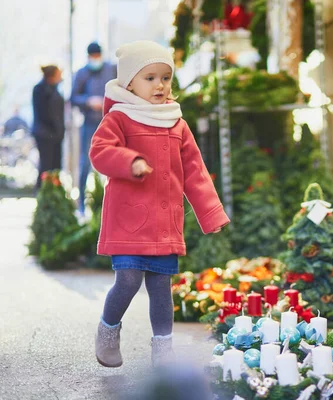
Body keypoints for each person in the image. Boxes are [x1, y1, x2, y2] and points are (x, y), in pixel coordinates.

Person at [90, 41, 230, 368]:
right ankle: (108, 331)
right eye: (150, 78)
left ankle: (163, 351)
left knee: (161, 288)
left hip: (165, 222)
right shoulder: (119, 118)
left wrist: (212, 214)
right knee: (127, 280)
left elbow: (194, 171)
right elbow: (99, 152)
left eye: (165, 78)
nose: (159, 85)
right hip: (128, 220)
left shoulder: (176, 122)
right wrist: (131, 161)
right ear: (129, 84)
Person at [71, 42, 116, 213]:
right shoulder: (82, 73)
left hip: (110, 122)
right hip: (89, 122)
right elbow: (74, 97)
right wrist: (88, 101)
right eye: (93, 57)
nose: (95, 59)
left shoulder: (111, 69)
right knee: (85, 162)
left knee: (112, 160)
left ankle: (110, 203)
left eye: (98, 56)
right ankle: (81, 204)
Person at [32, 65, 64, 189]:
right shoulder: (40, 90)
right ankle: (43, 193)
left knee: (56, 165)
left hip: (56, 135)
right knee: (46, 165)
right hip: (45, 134)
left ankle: (54, 194)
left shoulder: (55, 89)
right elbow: (46, 113)